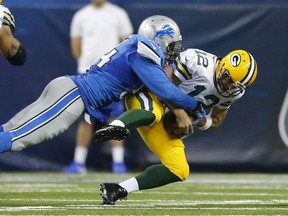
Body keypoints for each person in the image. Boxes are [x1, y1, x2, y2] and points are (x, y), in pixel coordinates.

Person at [0, 15, 203, 180]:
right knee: (17, 138)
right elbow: (166, 90)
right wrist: (196, 105)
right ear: (160, 38)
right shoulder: (143, 52)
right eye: (171, 45)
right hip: (74, 95)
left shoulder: (134, 46)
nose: (173, 51)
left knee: (8, 130)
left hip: (69, 89)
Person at [94, 46, 258, 204]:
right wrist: (180, 113)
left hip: (165, 115)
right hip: (150, 95)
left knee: (179, 169)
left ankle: (118, 189)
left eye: (236, 85)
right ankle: (118, 125)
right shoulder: (198, 62)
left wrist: (198, 120)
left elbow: (216, 120)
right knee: (153, 113)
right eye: (230, 80)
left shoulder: (234, 91)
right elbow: (160, 83)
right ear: (224, 66)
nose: (230, 86)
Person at [63, 0, 133, 174]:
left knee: (115, 118)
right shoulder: (81, 16)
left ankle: (118, 163)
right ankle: (78, 163)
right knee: (85, 119)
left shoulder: (119, 14)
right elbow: (75, 45)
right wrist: (85, 65)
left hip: (112, 76)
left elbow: (128, 44)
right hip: (86, 75)